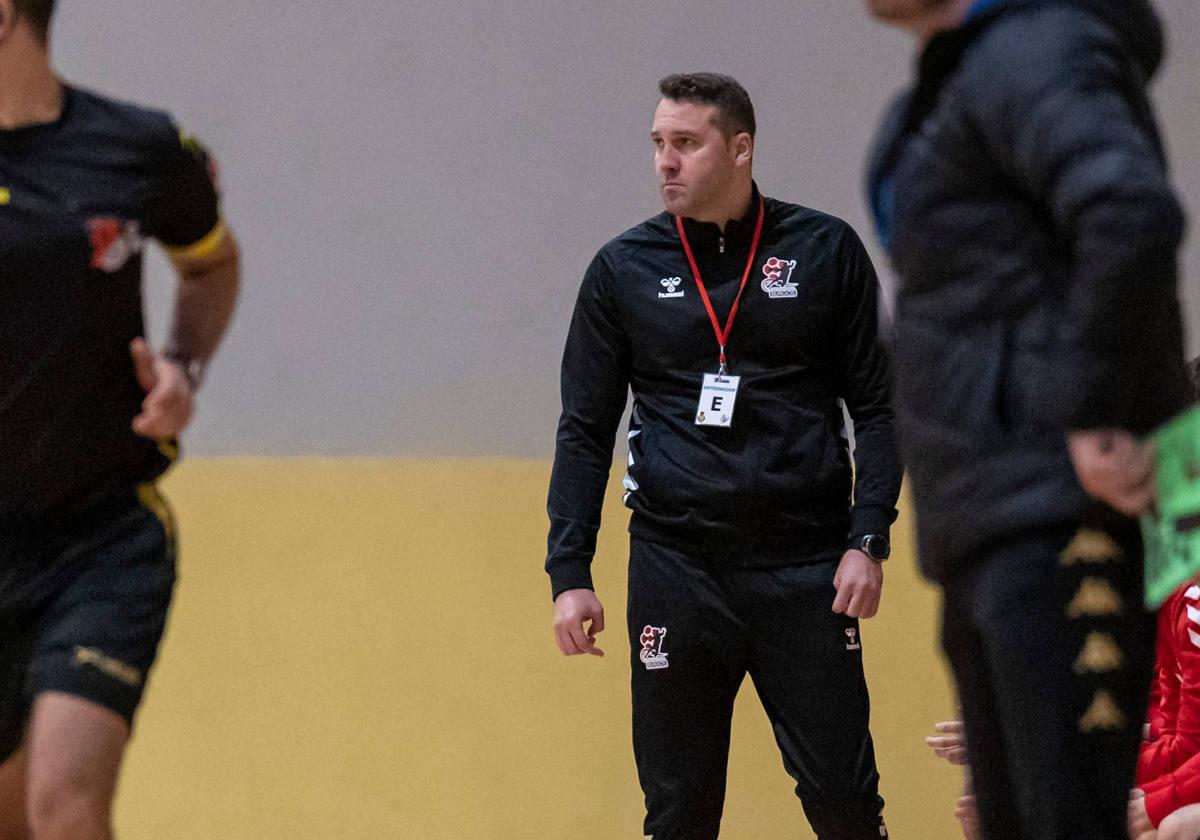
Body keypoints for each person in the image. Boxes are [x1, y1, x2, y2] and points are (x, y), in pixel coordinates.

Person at [546, 72, 902, 839]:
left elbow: (878, 409)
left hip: (807, 567)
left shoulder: (824, 251)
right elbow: (584, 428)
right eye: (657, 144)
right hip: (677, 565)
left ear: (739, 149)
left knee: (844, 801)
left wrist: (867, 538)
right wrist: (569, 571)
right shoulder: (623, 270)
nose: (664, 162)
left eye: (685, 143)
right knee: (678, 810)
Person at [864, 1, 1190, 838]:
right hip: (985, 515)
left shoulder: (1037, 50)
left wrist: (1090, 412)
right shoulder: (950, 85)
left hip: (1058, 513)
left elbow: (1129, 213)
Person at [0, 1, 239, 837]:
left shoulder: (135, 151)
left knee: (64, 807)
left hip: (100, 540)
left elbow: (210, 267)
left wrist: (184, 367)